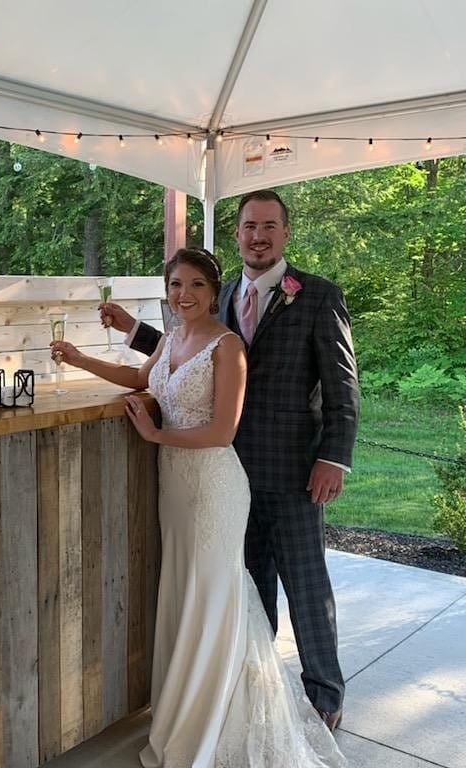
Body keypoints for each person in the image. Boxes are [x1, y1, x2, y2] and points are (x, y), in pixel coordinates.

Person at [52, 248, 346, 767]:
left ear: (215, 293)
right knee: (185, 594)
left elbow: (222, 431)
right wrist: (79, 359)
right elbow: (140, 380)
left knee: (215, 597)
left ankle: (216, 717)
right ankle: (182, 706)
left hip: (214, 488)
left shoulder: (227, 346)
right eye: (174, 286)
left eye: (195, 286)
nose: (183, 294)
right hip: (176, 491)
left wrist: (157, 432)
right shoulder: (173, 340)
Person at [101, 190, 359, 732]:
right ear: (238, 233)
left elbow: (343, 388)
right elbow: (185, 350)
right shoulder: (218, 298)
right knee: (249, 584)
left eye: (269, 225)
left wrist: (334, 457)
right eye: (248, 226)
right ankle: (255, 686)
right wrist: (130, 328)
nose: (258, 235)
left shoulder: (317, 296)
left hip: (293, 470)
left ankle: (324, 694)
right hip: (225, 471)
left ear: (286, 233)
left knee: (306, 583)